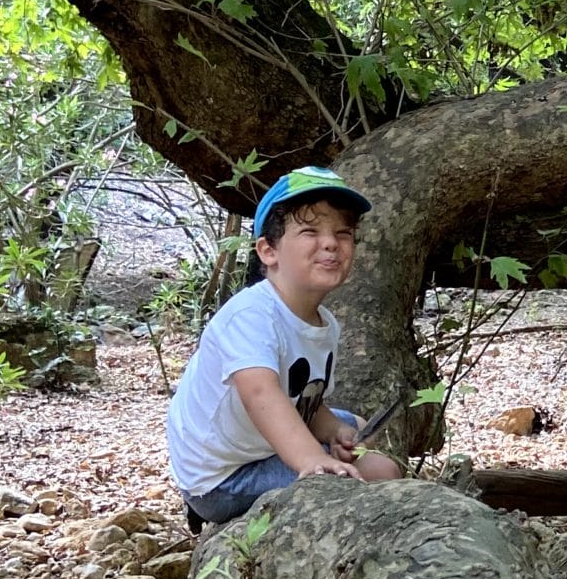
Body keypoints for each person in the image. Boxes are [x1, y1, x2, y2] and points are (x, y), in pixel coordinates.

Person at [166, 167, 402, 527]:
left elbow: (306, 400)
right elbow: (260, 394)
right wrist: (311, 459)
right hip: (223, 477)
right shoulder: (249, 316)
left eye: (344, 233)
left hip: (259, 445)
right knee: (379, 473)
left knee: (355, 428)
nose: (330, 243)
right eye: (309, 231)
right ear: (268, 250)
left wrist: (332, 433)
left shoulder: (325, 323)